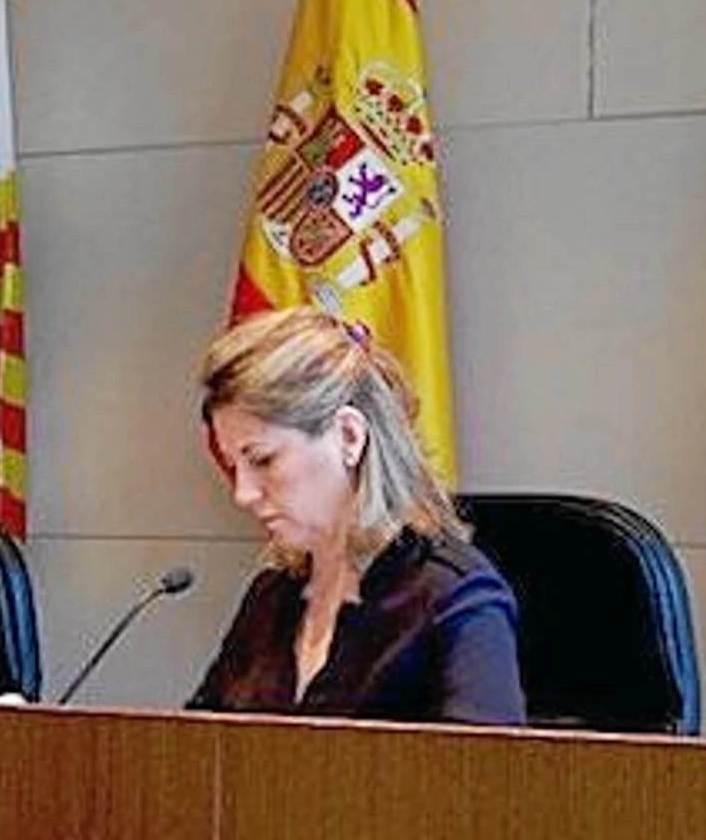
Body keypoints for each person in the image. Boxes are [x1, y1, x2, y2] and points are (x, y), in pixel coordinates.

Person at [186, 307, 524, 724]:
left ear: (348, 436)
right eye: (234, 467)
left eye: (263, 460)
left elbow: (483, 781)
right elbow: (200, 756)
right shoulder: (272, 595)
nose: (243, 494)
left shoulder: (455, 598)